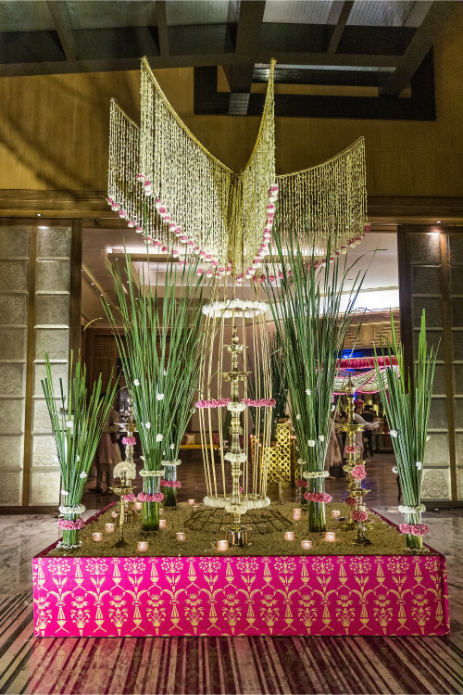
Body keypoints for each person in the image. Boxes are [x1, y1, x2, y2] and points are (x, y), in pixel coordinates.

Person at [89, 404, 122, 494]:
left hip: (108, 442)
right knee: (98, 464)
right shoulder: (98, 412)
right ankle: (99, 485)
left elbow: (116, 427)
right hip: (98, 441)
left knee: (108, 464)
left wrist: (102, 429)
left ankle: (109, 487)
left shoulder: (113, 413)